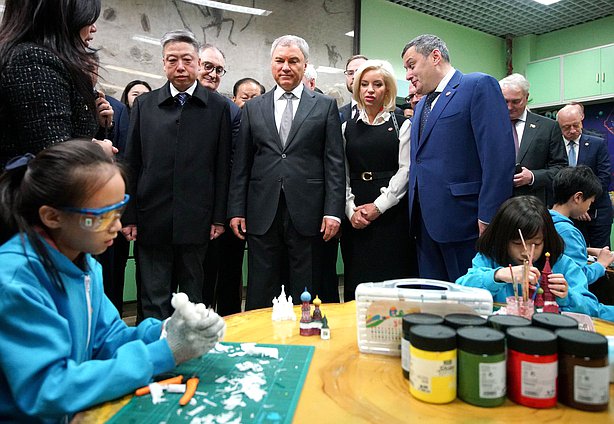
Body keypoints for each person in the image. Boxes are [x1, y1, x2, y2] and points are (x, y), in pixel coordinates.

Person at [0, 140, 225, 422]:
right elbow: (48, 388)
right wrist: (164, 353)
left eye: (119, 211)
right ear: (52, 216)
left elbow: (107, 340)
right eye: (104, 216)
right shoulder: (15, 281)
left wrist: (166, 331)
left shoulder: (86, 266)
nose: (117, 226)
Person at [228, 35, 345, 309]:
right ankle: (260, 344)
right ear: (271, 64)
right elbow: (242, 164)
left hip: (309, 212)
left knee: (305, 287)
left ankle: (304, 342)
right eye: (280, 61)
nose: (286, 67)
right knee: (260, 287)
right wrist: (236, 209)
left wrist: (333, 211)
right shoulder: (254, 107)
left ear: (305, 66)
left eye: (294, 61)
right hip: (261, 211)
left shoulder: (325, 105)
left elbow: (334, 163)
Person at [123, 30, 231, 320]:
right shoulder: (145, 105)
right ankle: (155, 355)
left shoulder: (218, 107)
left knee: (194, 295)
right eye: (172, 60)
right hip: (151, 214)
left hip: (198, 217)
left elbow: (222, 166)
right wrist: (128, 215)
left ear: (198, 63)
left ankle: (194, 354)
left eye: (187, 60)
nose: (180, 67)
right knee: (154, 296)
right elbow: (131, 163)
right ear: (163, 63)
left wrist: (218, 217)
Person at [401, 34, 515, 282]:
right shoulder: (421, 106)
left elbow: (498, 158)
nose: (408, 75)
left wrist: (490, 217)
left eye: (411, 65)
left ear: (435, 56)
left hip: (466, 224)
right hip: (424, 226)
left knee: (469, 303)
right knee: (434, 303)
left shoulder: (477, 86)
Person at [0, 0, 116, 166]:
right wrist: (98, 151)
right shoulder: (34, 60)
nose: (94, 28)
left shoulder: (40, 59)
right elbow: (54, 158)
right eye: (88, 19)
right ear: (63, 19)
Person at [341, 60, 417, 301]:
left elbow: (406, 170)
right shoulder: (346, 127)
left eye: (377, 84)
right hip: (355, 214)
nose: (370, 90)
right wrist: (350, 209)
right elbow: (340, 172)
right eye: (364, 84)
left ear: (388, 90)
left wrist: (378, 207)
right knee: (358, 278)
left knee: (391, 278)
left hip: (390, 212)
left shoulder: (403, 125)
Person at [456, 196, 600, 317]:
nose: (527, 252)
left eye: (536, 244)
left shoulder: (562, 264)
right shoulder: (489, 259)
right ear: (502, 239)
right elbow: (460, 291)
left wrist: (567, 296)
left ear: (546, 240)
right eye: (518, 243)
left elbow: (593, 310)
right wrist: (497, 275)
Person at [197, 43, 244, 315]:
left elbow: (234, 164)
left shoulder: (231, 110)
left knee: (225, 279)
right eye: (208, 67)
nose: (213, 74)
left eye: (219, 69)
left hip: (223, 208)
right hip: (185, 211)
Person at [499, 73, 567, 205]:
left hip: (532, 204)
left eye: (515, 101)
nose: (509, 107)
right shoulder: (489, 126)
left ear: (526, 97)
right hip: (497, 205)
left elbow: (561, 168)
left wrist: (532, 177)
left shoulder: (548, 127)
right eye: (504, 101)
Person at [556, 104, 612, 248]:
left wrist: (583, 203)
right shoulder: (555, 146)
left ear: (582, 120)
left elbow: (604, 177)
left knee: (600, 254)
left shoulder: (597, 143)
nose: (572, 130)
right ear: (559, 126)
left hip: (597, 211)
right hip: (569, 213)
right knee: (575, 252)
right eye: (566, 127)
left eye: (576, 125)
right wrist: (574, 207)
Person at [550, 166, 614, 284]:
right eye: (590, 202)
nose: (589, 206)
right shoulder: (568, 232)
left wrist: (587, 250)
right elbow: (579, 277)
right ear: (578, 197)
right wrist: (601, 264)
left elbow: (558, 251)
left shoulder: (545, 220)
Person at [339, 55, 368, 123]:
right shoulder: (338, 114)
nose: (354, 76)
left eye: (359, 72)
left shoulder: (390, 114)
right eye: (350, 73)